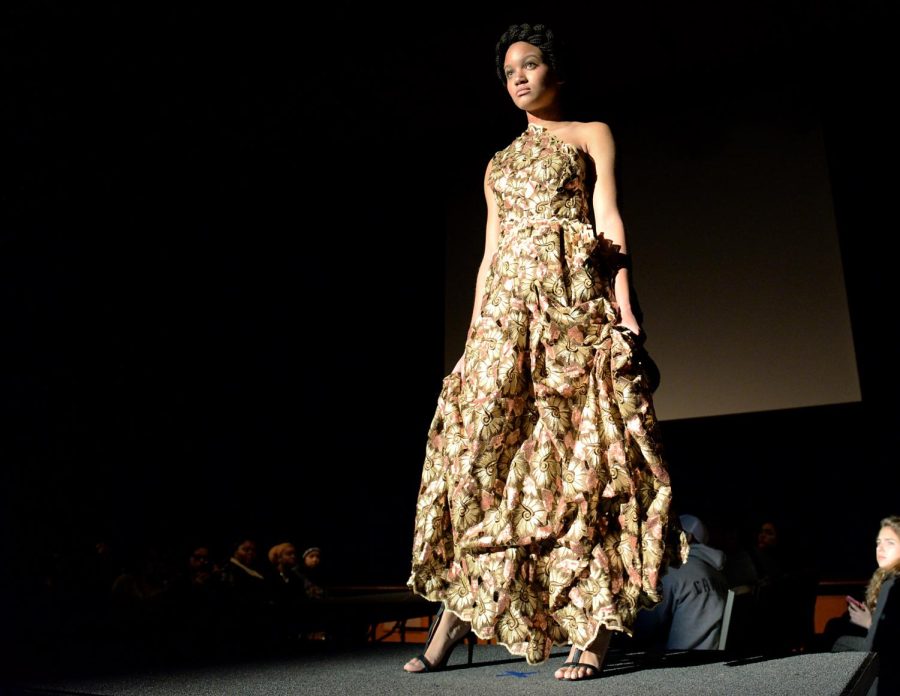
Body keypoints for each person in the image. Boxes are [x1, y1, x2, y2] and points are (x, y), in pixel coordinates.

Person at [404, 23, 687, 681]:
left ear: (555, 69)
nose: (520, 78)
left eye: (530, 65)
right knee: (488, 461)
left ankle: (594, 631)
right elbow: (487, 255)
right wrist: (473, 336)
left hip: (567, 302)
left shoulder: (591, 134)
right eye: (509, 72)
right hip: (506, 313)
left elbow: (609, 221)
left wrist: (625, 305)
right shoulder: (497, 163)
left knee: (588, 453)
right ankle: (452, 623)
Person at [631, 514, 728, 651]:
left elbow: (642, 629)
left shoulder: (672, 572)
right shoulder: (719, 574)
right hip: (712, 662)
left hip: (676, 664)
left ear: (687, 537)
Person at [833, 516, 900, 695]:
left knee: (841, 642)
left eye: (890, 542)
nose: (880, 548)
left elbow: (885, 643)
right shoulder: (886, 578)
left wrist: (869, 623)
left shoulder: (893, 584)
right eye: (879, 542)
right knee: (836, 625)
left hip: (888, 661)